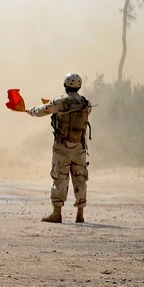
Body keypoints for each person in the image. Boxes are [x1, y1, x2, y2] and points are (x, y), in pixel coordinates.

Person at [26, 73, 92, 223]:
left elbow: (42, 110)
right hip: (79, 149)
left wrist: (29, 110)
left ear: (65, 86)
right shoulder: (86, 103)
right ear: (79, 86)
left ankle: (57, 213)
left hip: (61, 148)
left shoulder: (59, 102)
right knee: (80, 179)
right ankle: (80, 214)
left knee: (59, 179)